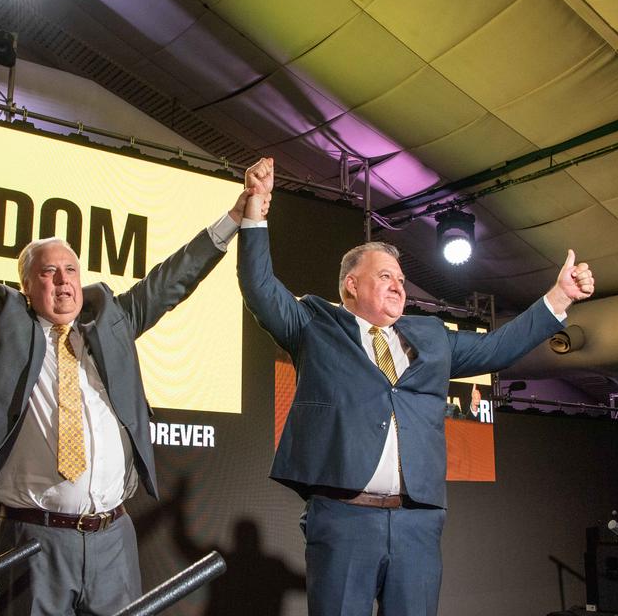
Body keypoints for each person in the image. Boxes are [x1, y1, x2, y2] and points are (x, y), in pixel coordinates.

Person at [0, 150, 250, 616]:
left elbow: (170, 281)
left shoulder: (112, 323)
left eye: (70, 269)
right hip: (35, 541)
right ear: (27, 287)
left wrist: (234, 218)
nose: (63, 281)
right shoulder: (2, 326)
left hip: (113, 540)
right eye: (48, 272)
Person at [235, 157, 595, 615]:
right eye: (385, 276)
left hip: (417, 521)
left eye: (402, 280)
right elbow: (260, 287)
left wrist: (560, 296)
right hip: (344, 516)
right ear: (350, 285)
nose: (398, 286)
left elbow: (499, 348)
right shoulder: (314, 325)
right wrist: (253, 214)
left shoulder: (430, 336)